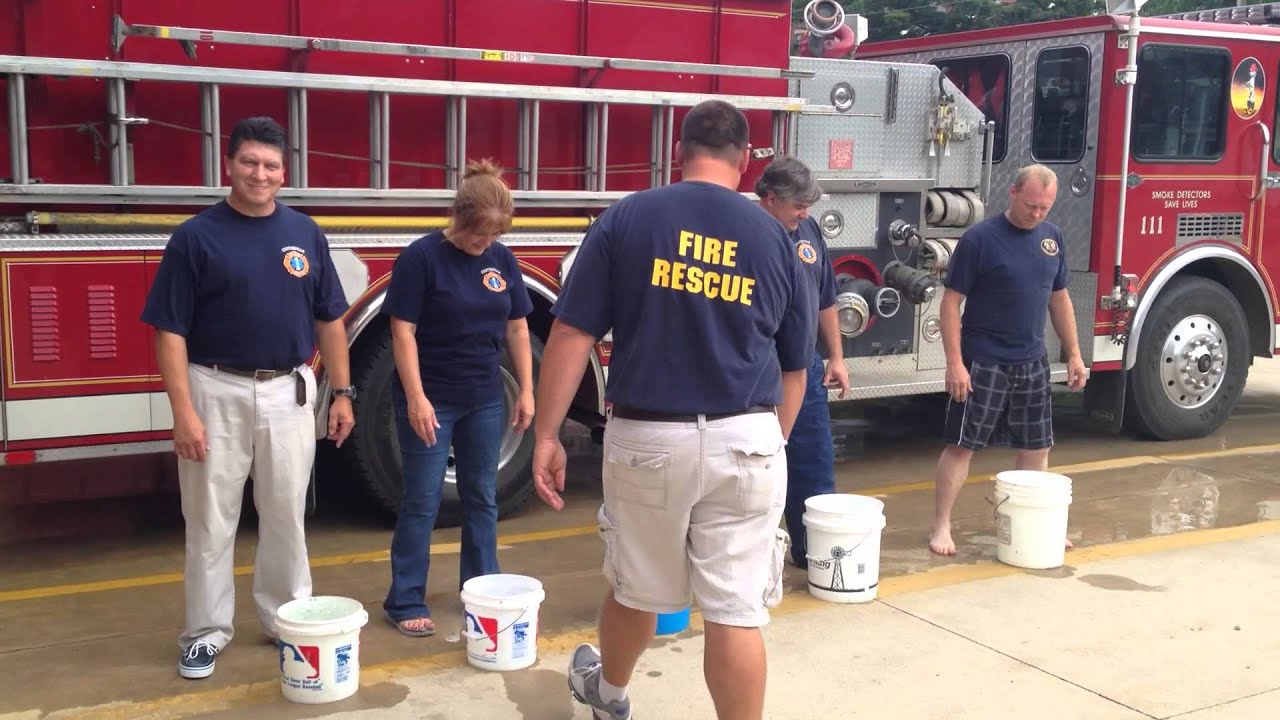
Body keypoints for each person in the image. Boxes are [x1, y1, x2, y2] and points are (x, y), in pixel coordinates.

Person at [530, 100, 817, 720]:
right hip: (749, 436)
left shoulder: (627, 219)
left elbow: (571, 335)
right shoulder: (777, 237)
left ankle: (607, 695)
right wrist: (774, 444)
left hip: (649, 438)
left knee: (637, 587)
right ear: (745, 164)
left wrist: (548, 433)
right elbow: (796, 369)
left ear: (677, 155)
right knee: (736, 611)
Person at [140, 116, 355, 679]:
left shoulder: (305, 234)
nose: (260, 174)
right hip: (215, 389)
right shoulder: (196, 237)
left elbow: (330, 319)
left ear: (285, 173)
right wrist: (182, 411)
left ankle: (287, 619)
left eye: (271, 165)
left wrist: (344, 393)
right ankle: (205, 632)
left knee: (286, 514)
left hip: (289, 390)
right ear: (228, 166)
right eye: (249, 163)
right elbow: (169, 331)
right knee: (211, 520)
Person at [380, 159, 535, 637]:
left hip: (484, 398)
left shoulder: (501, 259)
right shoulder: (422, 258)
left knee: (482, 497)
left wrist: (528, 390)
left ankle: (481, 589)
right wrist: (416, 397)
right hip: (434, 399)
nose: (483, 244)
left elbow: (517, 325)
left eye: (493, 236)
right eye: (477, 235)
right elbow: (402, 331)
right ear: (459, 219)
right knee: (423, 501)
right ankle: (405, 598)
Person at [928, 164, 1088, 556]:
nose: (1036, 214)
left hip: (1031, 358)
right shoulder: (980, 239)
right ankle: (941, 525)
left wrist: (1074, 354)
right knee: (962, 444)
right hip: (984, 359)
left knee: (1037, 447)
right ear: (1013, 192)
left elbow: (1059, 299)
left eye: (1044, 208)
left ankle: (1031, 521)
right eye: (1031, 205)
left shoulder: (1052, 239)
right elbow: (950, 305)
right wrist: (955, 363)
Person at [756, 156, 851, 569]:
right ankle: (753, 557)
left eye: (809, 205)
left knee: (812, 463)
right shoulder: (748, 233)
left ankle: (813, 553)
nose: (805, 213)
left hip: (807, 366)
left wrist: (837, 356)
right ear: (771, 199)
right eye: (798, 205)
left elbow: (825, 296)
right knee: (757, 467)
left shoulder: (807, 230)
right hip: (761, 371)